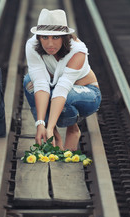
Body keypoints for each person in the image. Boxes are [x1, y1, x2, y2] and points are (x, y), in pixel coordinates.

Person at [24, 8, 101, 151]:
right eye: (45, 37)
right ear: (39, 37)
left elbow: (62, 89)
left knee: (65, 96)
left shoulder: (77, 51)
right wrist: (41, 124)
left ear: (64, 37)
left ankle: (73, 129)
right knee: (29, 81)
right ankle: (53, 135)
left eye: (56, 37)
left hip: (88, 95)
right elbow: (40, 83)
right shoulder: (32, 45)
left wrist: (51, 125)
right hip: (58, 90)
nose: (50, 44)